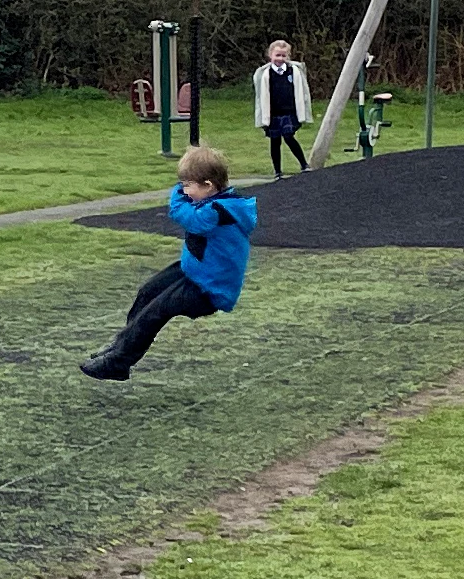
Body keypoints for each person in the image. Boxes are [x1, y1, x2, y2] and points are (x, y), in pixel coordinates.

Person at [82, 144, 256, 381]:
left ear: (209, 185)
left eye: (188, 185)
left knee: (154, 314)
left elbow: (187, 218)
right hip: (194, 273)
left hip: (209, 289)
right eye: (183, 184)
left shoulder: (218, 211)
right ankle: (120, 347)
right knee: (146, 294)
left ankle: (117, 363)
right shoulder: (213, 201)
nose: (184, 191)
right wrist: (185, 184)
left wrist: (176, 192)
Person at [253, 39, 315, 178]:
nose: (280, 59)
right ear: (270, 55)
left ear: (288, 56)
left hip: (289, 112)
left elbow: (300, 91)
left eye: (283, 56)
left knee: (288, 136)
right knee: (275, 141)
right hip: (273, 113)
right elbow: (261, 96)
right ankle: (278, 171)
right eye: (277, 55)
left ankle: (304, 164)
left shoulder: (293, 72)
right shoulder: (265, 74)